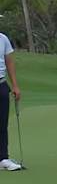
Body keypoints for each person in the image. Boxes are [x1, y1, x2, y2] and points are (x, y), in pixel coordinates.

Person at [1, 31, 23, 171]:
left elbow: (9, 61)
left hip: (1, 84)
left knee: (2, 124)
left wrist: (15, 85)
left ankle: (2, 158)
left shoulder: (3, 39)